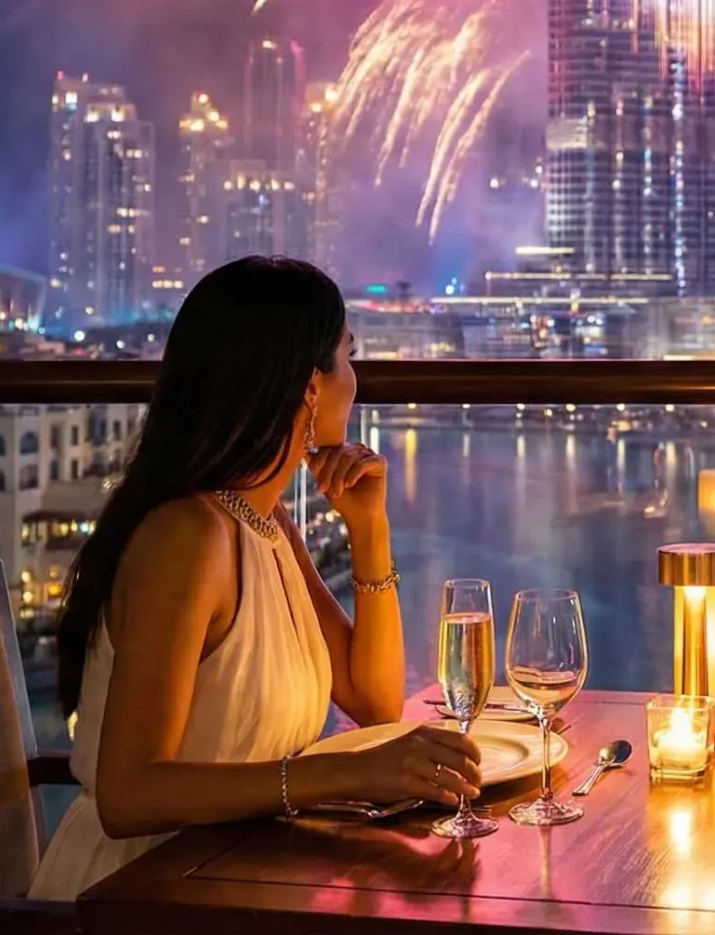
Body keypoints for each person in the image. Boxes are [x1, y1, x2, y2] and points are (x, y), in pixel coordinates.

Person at [28, 257, 481, 898]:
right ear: (307, 385)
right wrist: (344, 776)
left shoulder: (265, 526)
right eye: (348, 356)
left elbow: (376, 704)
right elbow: (127, 796)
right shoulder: (188, 537)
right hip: (140, 890)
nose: (358, 378)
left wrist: (369, 530)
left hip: (241, 869)